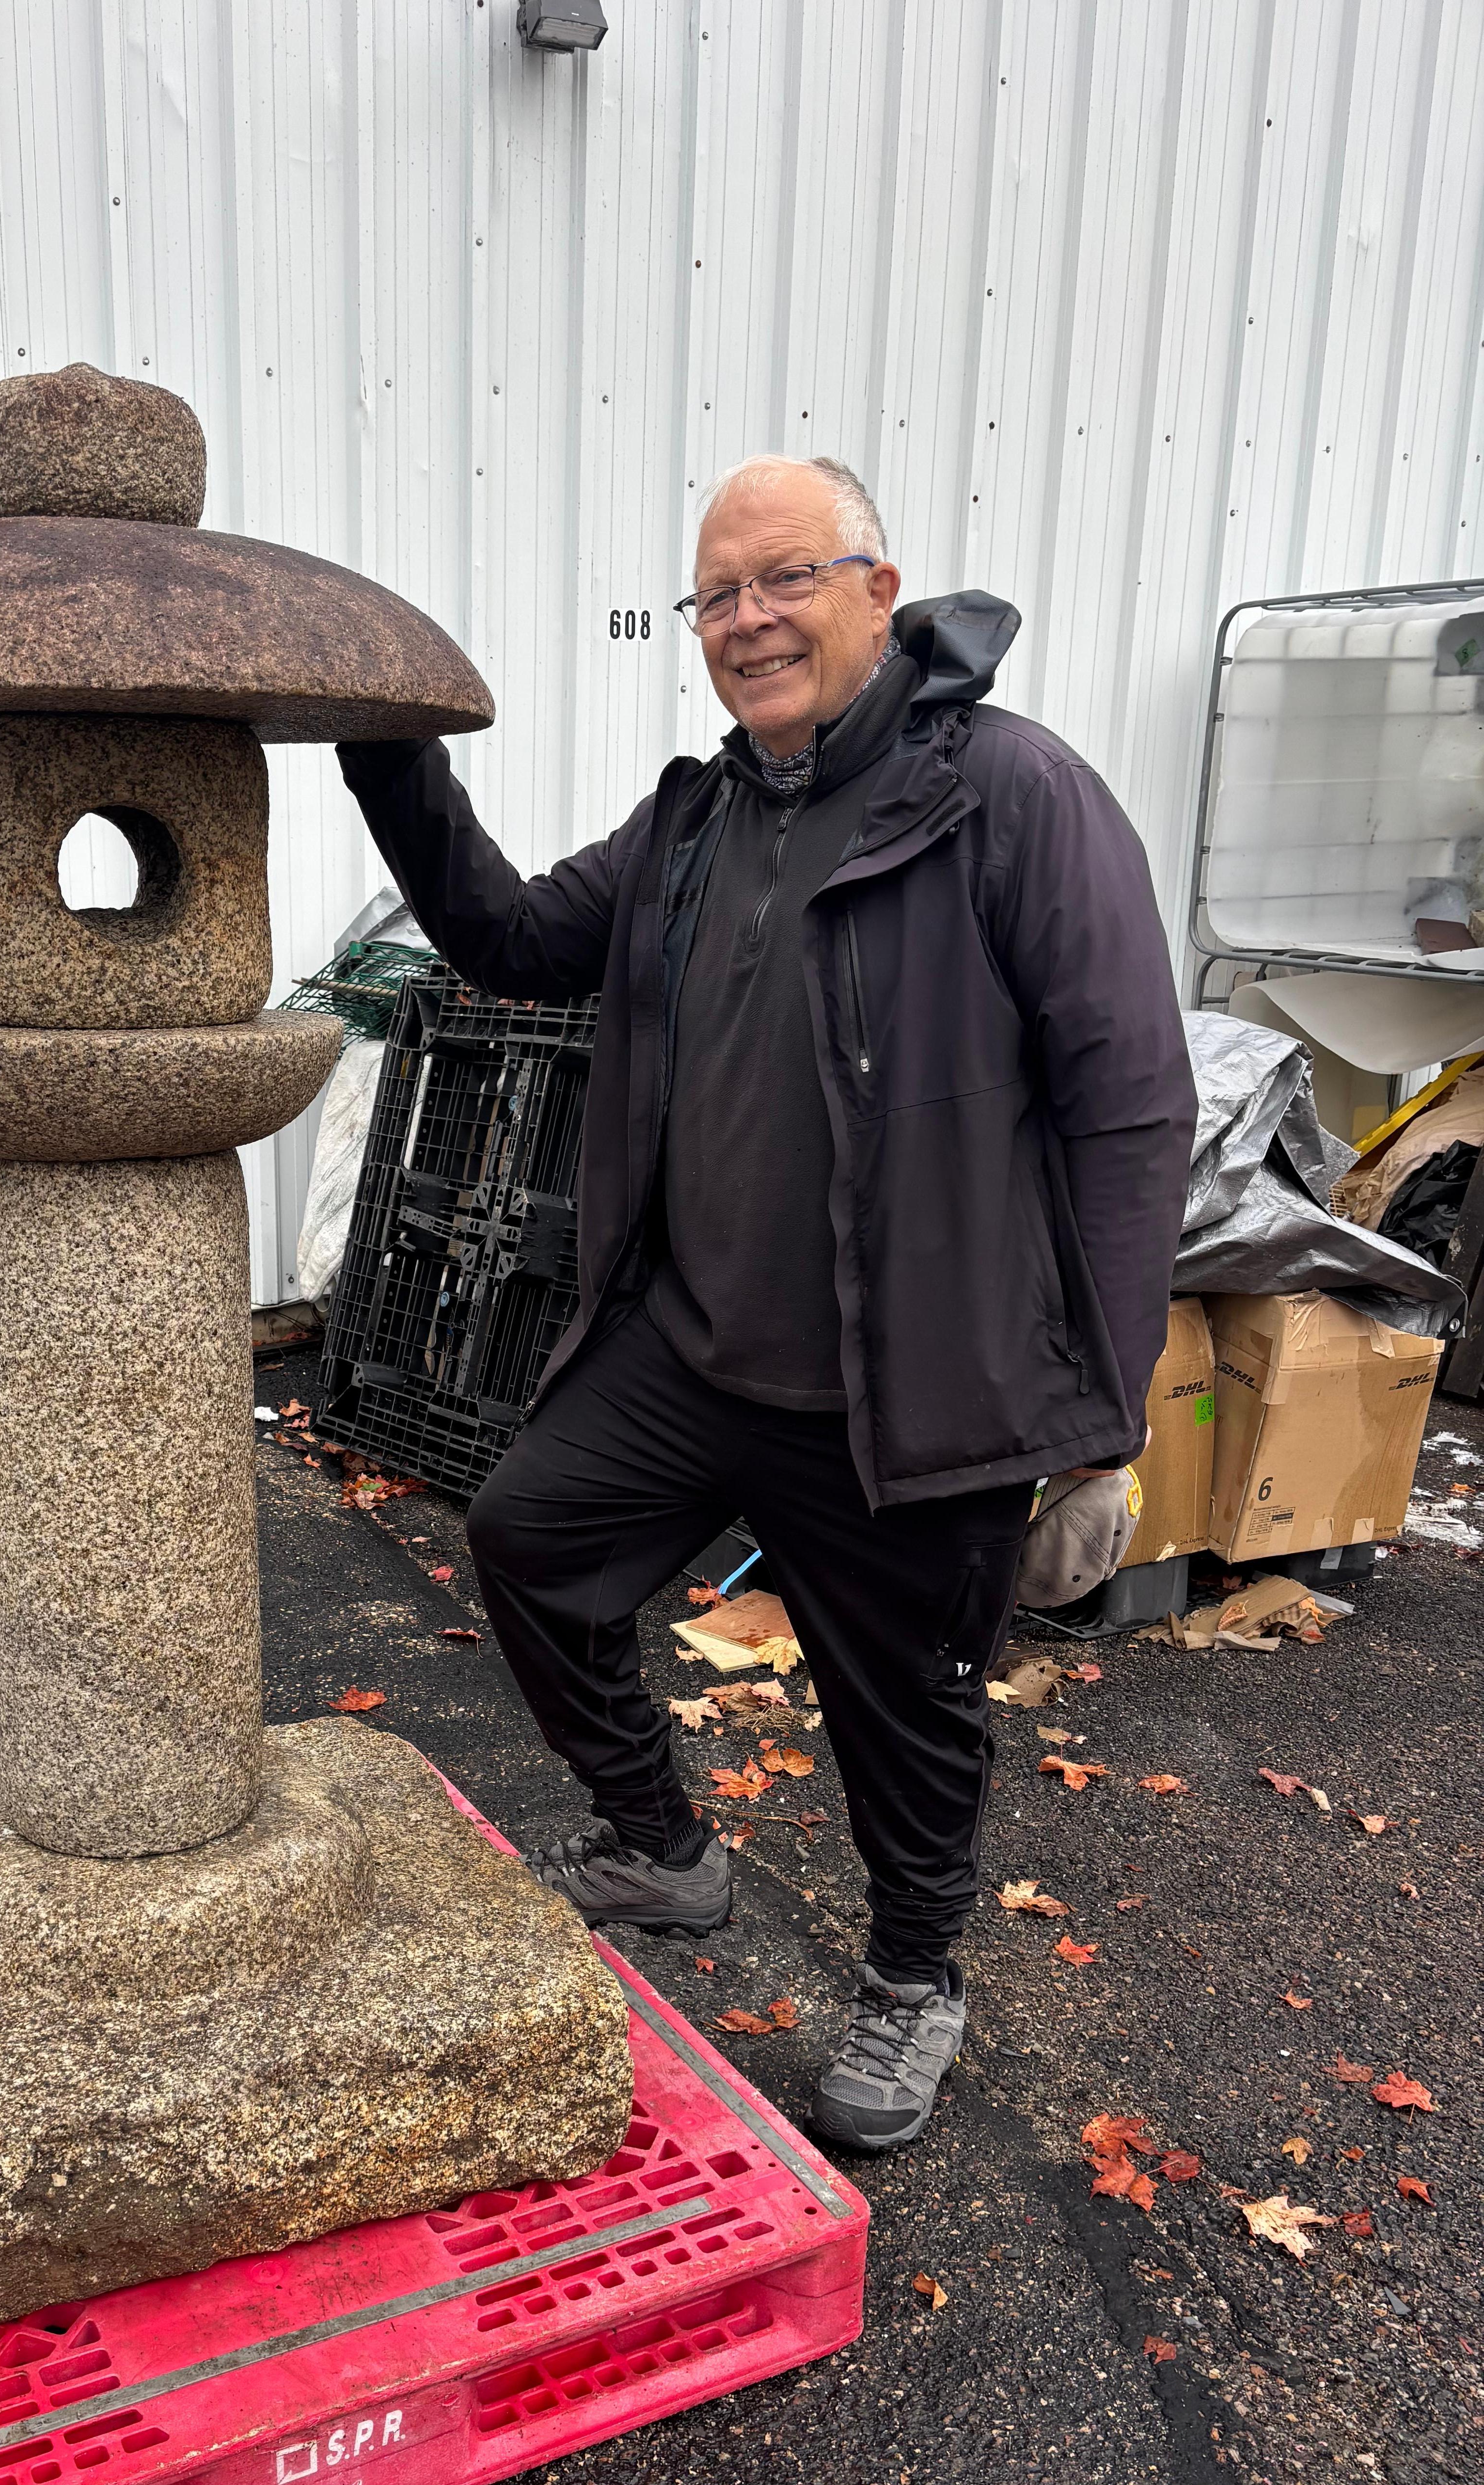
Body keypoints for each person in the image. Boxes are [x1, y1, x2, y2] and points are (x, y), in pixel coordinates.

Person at [336, 456, 1196, 2151]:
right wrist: (389, 752)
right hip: (693, 1346)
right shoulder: (695, 821)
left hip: (911, 1383)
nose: (747, 620)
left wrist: (1097, 1400)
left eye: (784, 578)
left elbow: (1128, 1103)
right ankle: (658, 1844)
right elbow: (512, 942)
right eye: (716, 594)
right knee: (527, 1537)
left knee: (905, 1715)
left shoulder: (1011, 796)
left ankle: (911, 1978)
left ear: (878, 589)